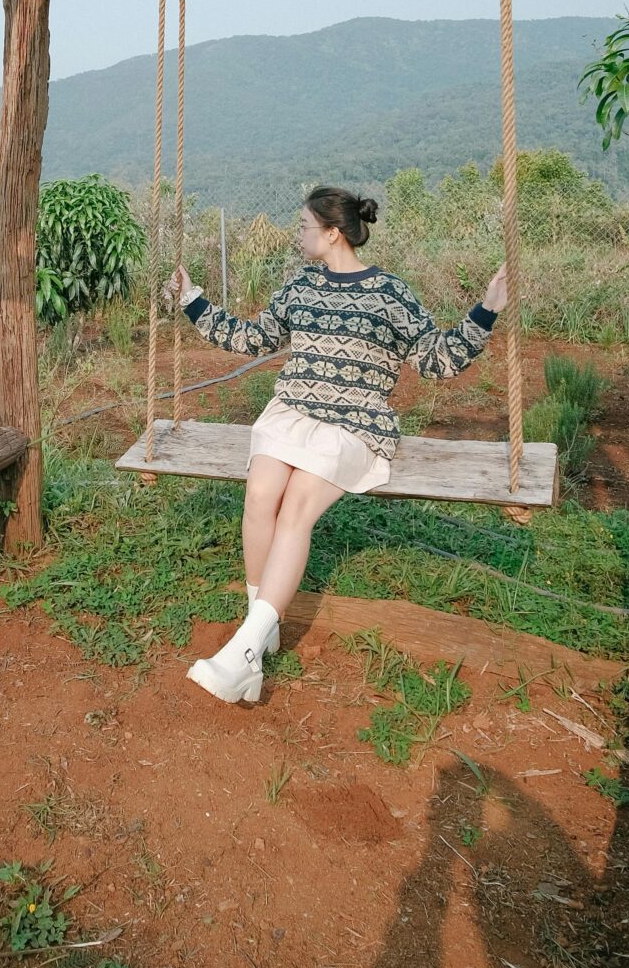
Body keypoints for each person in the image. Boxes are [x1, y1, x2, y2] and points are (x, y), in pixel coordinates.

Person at [170, 184, 507, 705]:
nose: (299, 234)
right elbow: (251, 338)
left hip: (353, 425)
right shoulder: (300, 286)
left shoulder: (390, 293)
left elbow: (436, 360)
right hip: (292, 414)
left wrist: (485, 309)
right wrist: (193, 301)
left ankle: (242, 651)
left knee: (296, 508)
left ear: (332, 232)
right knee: (260, 496)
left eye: (305, 226)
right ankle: (263, 633)